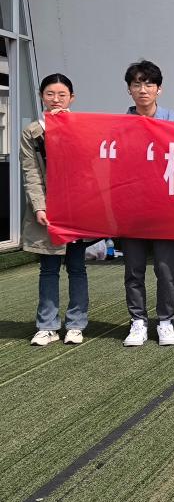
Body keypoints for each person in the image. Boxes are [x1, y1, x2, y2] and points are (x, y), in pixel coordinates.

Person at [121, 59, 174, 347]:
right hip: (132, 206)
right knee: (134, 269)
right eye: (137, 84)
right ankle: (138, 321)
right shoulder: (120, 126)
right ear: (129, 90)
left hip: (166, 208)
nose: (143, 89)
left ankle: (165, 321)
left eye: (149, 83)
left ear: (159, 89)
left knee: (166, 269)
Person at [22, 74, 89, 346]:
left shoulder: (82, 127)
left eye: (62, 95)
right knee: (48, 269)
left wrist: (68, 128)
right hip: (48, 212)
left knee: (77, 267)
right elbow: (31, 172)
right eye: (50, 94)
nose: (56, 100)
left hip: (76, 210)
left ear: (72, 98)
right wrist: (39, 207)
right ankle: (47, 325)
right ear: (42, 96)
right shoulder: (32, 131)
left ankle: (76, 324)